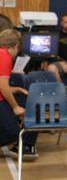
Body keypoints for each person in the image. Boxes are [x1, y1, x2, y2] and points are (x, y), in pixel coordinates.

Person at [0, 29, 39, 160]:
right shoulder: (5, 56)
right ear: (16, 46)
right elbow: (2, 86)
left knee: (31, 104)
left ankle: (24, 145)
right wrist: (15, 107)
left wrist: (15, 89)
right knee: (12, 132)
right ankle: (24, 144)